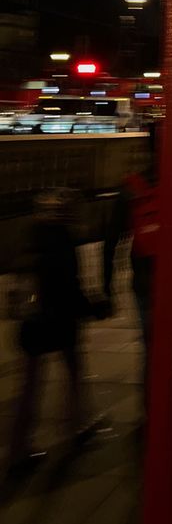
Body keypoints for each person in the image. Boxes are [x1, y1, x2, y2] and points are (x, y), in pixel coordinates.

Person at [5, 188, 108, 477]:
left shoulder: (30, 237)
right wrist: (94, 306)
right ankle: (75, 426)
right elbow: (68, 286)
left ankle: (17, 450)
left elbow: (18, 280)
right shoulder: (62, 239)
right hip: (59, 320)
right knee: (74, 373)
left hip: (32, 322)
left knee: (28, 388)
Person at [102, 121, 161, 410]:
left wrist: (106, 286)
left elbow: (111, 239)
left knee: (150, 348)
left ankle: (149, 412)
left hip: (144, 280)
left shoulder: (131, 188)